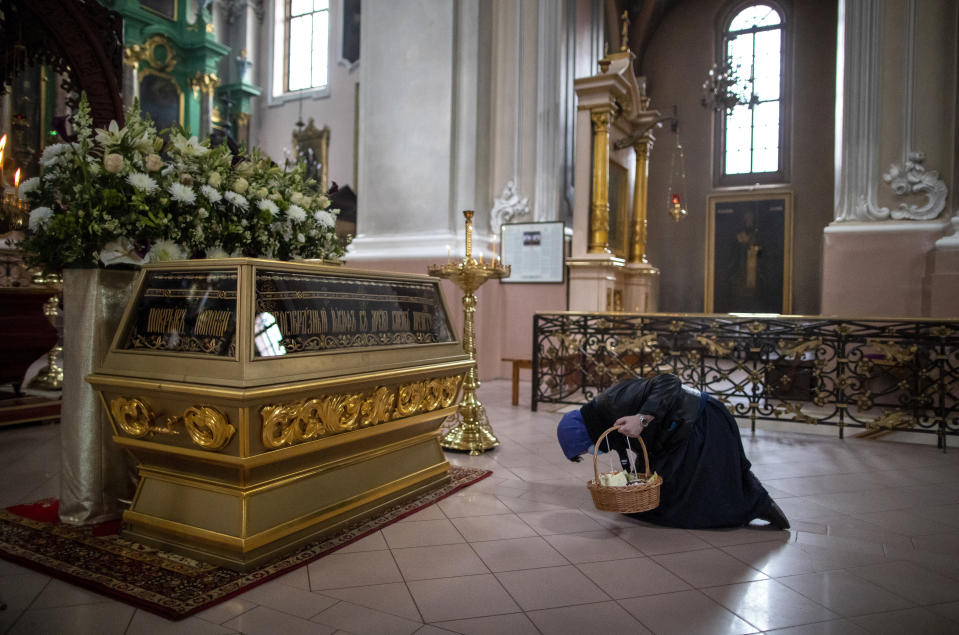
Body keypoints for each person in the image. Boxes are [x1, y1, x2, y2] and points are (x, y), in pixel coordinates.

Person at [557, 373, 789, 530]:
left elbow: (669, 381)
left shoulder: (612, 402)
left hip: (700, 421)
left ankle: (761, 506)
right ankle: (756, 504)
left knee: (694, 493)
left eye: (586, 449)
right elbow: (629, 452)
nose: (593, 452)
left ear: (584, 434)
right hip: (678, 431)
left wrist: (642, 418)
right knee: (658, 497)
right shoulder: (604, 421)